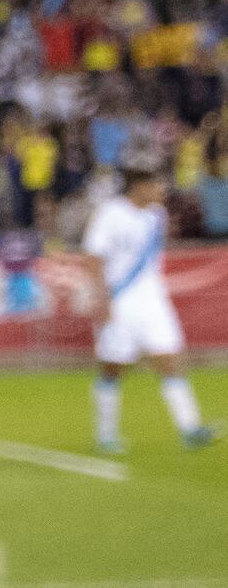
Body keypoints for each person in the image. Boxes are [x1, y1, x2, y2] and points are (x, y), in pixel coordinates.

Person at [78, 163, 206, 456]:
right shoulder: (111, 213)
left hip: (153, 301)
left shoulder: (156, 216)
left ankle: (190, 428)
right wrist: (102, 299)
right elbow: (94, 257)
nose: (162, 190)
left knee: (170, 358)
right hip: (119, 302)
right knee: (114, 367)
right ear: (139, 186)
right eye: (156, 185)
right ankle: (106, 433)